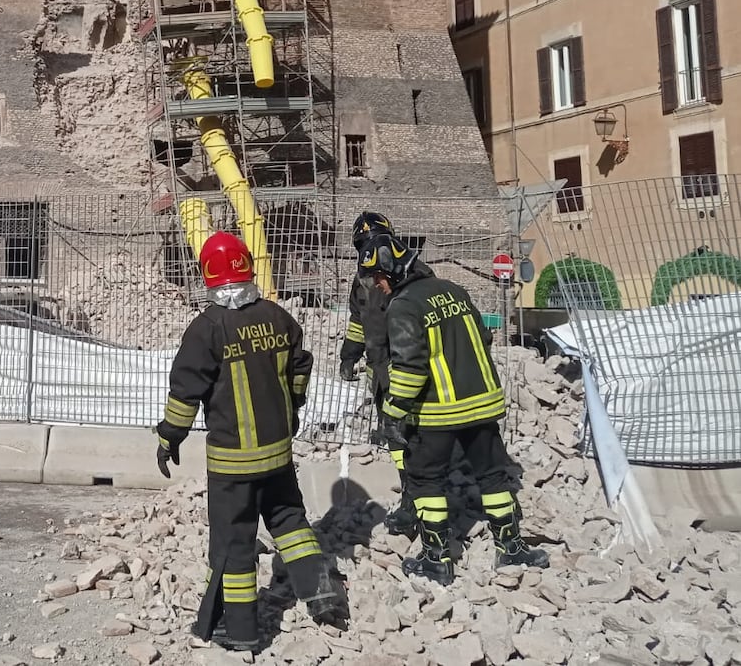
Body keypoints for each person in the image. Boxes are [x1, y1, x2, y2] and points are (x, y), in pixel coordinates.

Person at [156, 231, 339, 653]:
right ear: (247, 266)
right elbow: (301, 367)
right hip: (278, 454)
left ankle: (239, 632)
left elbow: (185, 392)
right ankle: (323, 595)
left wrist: (169, 437)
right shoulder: (277, 317)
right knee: (291, 522)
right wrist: (292, 409)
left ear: (207, 274)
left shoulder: (207, 329)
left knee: (234, 543)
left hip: (233, 465)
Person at [356, 232, 549, 585]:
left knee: (426, 480)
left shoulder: (403, 306)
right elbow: (484, 338)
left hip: (438, 412)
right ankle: (511, 547)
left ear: (392, 270)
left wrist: (394, 412)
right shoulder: (453, 291)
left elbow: (411, 366)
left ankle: (437, 558)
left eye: (378, 277)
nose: (377, 285)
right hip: (484, 403)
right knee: (492, 475)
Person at [338, 211, 414, 532]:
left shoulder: (409, 273)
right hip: (381, 372)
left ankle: (421, 498)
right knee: (396, 439)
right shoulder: (361, 281)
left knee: (415, 436)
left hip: (410, 369)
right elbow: (358, 322)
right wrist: (348, 355)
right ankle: (411, 492)